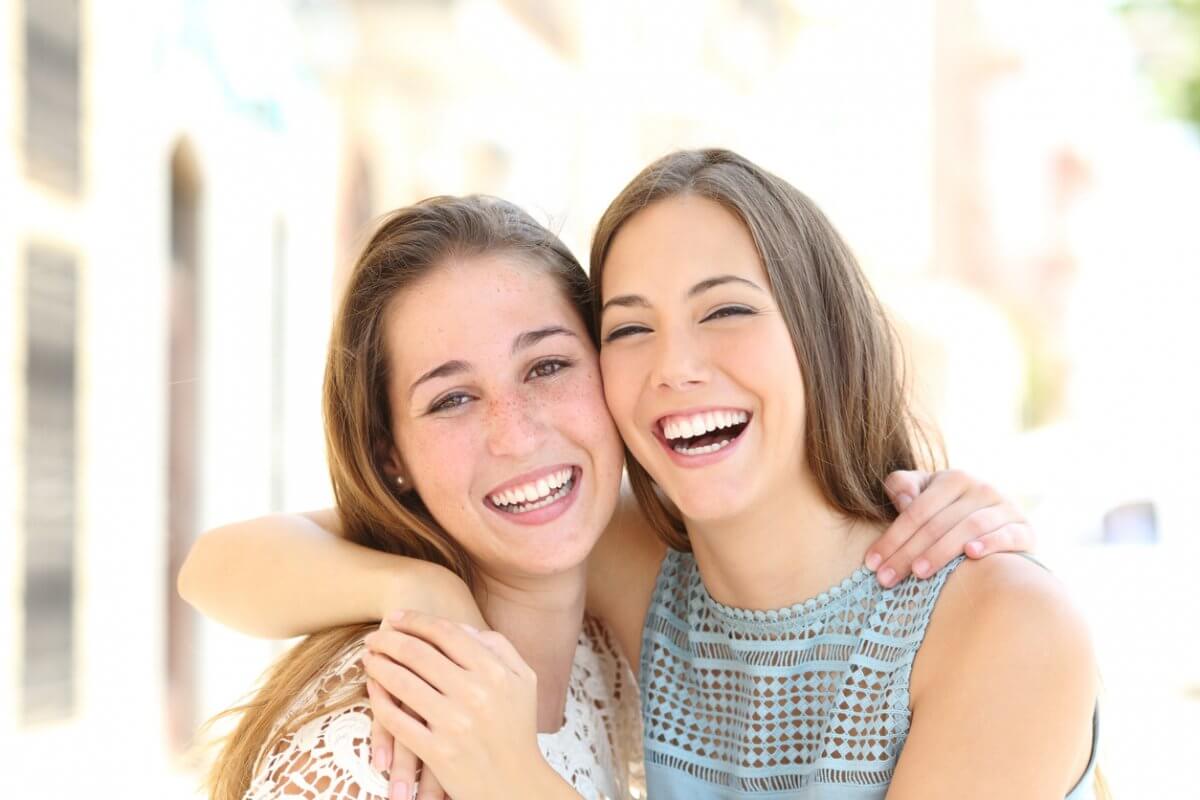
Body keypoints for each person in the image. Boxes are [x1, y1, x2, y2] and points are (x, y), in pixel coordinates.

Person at [182, 174, 1042, 800]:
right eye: (633, 327)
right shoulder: (613, 576)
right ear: (391, 454)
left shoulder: (624, 572)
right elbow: (214, 566)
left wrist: (514, 779)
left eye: (549, 365)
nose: (514, 434)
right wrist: (415, 586)